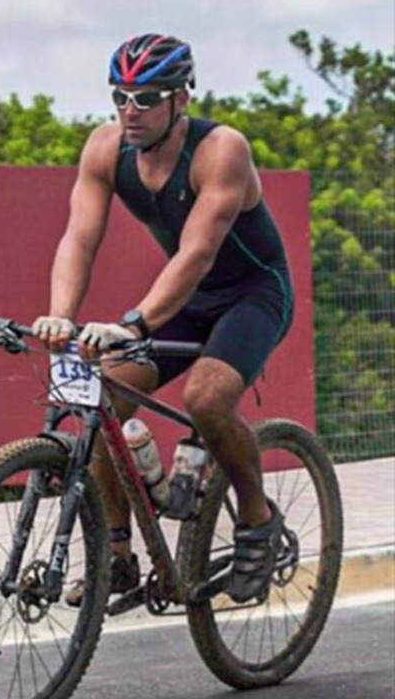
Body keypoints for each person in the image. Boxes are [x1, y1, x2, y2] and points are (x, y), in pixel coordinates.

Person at [32, 33, 293, 605]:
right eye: (121, 96)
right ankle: (119, 556)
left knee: (206, 397)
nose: (131, 110)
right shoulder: (105, 151)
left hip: (252, 294)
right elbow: (78, 238)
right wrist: (60, 317)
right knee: (100, 401)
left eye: (147, 98)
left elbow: (197, 253)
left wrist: (134, 325)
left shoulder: (221, 150)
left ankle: (257, 520)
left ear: (181, 98)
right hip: (188, 301)